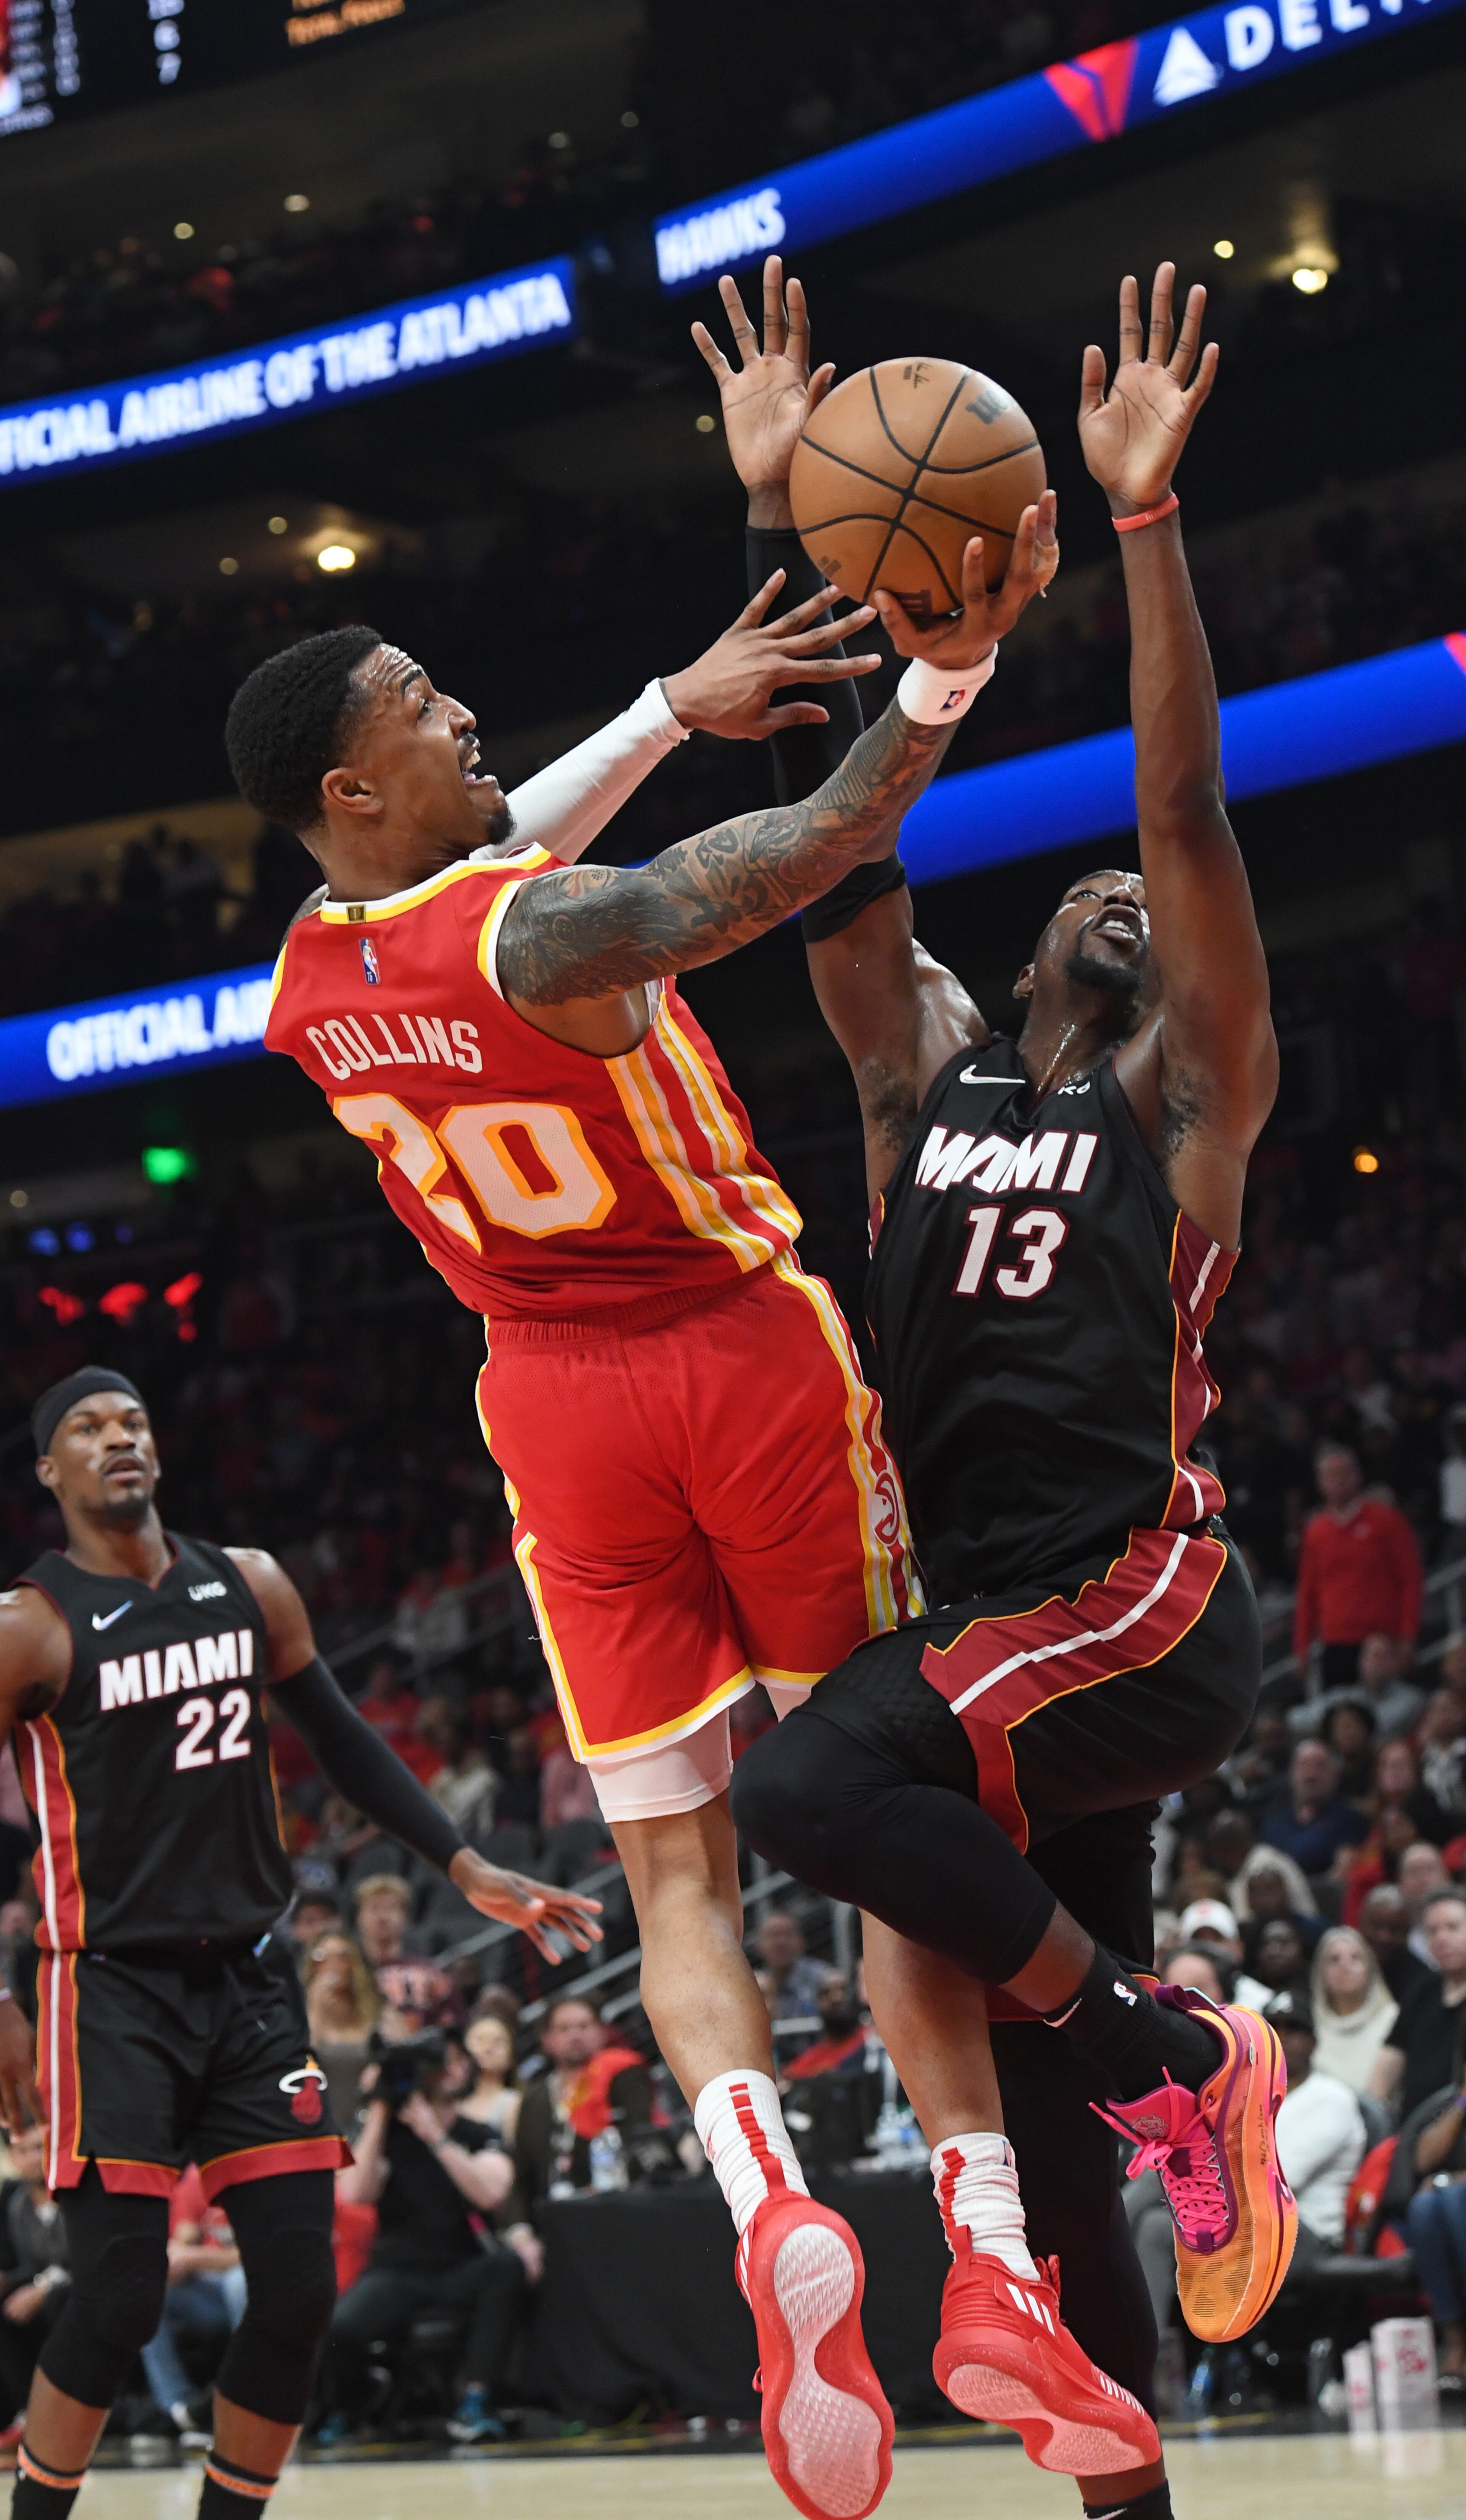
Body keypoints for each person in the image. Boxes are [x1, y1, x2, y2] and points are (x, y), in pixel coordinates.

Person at [232, 357, 1048, 2520]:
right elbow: (796, 852)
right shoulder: (555, 926)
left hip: (547, 1415)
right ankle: (979, 2238)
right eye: (416, 695)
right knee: (876, 1796)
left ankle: (759, 2193)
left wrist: (694, 672)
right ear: (349, 767)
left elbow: (500, 874)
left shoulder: (308, 989)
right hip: (739, 1358)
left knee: (670, 1866)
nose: (456, 708)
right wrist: (944, 671)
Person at [715, 258, 1290, 2509]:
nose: (1117, 902)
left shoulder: (1191, 1105)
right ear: (1015, 951)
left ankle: (1175, 2044)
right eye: (1084, 896)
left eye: (1132, 901)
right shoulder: (913, 1072)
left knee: (801, 1794)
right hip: (992, 1639)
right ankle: (1128, 2476)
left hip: (1121, 1600)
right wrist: (790, 534)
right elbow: (820, 847)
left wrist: (1142, 528)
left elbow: (1187, 819)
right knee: (1055, 2160)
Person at [0, 1371, 598, 2520]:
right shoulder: (30, 1622)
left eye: (134, 1420)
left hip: (249, 1982)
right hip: (105, 1987)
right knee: (120, 2294)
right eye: (87, 1428)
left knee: (298, 2289)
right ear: (50, 1470)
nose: (119, 1438)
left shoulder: (250, 1585)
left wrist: (463, 1864)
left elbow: (342, 1737)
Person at [319, 2033, 523, 2447]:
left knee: (507, 2269)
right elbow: (356, 2193)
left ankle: (476, 2399)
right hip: (398, 2269)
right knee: (339, 2326)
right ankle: (353, 2403)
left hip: (457, 2264)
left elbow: (490, 2193)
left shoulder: (475, 2132)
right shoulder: (388, 2135)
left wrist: (436, 2137)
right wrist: (378, 2109)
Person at [510, 1994, 654, 2225]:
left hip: (621, 2207)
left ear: (602, 2032)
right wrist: (520, 2230)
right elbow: (523, 2170)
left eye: (584, 2026)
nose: (575, 2036)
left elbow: (640, 2137)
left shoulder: (623, 2073)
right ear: (547, 2040)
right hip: (558, 2217)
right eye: (564, 2029)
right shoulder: (535, 2097)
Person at [1292, 1444, 1422, 1694]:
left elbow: (1410, 1580)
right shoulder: (1315, 1531)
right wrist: (1302, 1647)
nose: (1339, 1481)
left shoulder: (1387, 1520)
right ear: (1321, 1482)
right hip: (1335, 1640)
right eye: (1331, 1475)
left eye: (1345, 1473)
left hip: (1381, 1640)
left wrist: (1407, 1635)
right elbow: (1308, 1592)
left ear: (1358, 1475)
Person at [139, 2167, 247, 2447]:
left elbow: (264, 2256)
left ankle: (249, 2403)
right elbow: (182, 2237)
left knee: (240, 2282)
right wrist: (172, 2258)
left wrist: (194, 2257)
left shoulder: (265, 2178)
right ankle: (176, 2409)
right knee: (147, 2289)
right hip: (211, 2294)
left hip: (262, 2289)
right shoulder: (198, 2178)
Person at [1264, 1996, 1364, 2265]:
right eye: (1273, 2030)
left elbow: (1281, 2178)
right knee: (1162, 2223)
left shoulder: (1333, 2099)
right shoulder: (1248, 2095)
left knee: (1161, 2229)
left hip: (1306, 2231)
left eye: (1292, 2030)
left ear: (1313, 2041)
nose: (1281, 2038)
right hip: (1252, 2221)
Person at [0, 2129, 69, 2443]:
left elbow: (88, 2264)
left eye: (41, 2147)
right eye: (25, 2151)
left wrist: (42, 2288)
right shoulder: (17, 2206)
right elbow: (31, 2265)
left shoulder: (76, 2198)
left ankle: (70, 2409)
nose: (34, 2158)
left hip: (79, 2291)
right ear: (14, 2158)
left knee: (58, 2300)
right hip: (47, 2291)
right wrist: (10, 2278)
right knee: (7, 2305)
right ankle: (27, 2410)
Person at [1372, 1887, 1466, 2119]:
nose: (1442, 1938)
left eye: (1453, 1928)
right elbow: (1391, 2057)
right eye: (1433, 1931)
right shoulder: (1422, 1990)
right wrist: (1375, 2112)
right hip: (1413, 2126)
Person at [302, 1931, 381, 2133]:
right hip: (319, 2129)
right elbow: (299, 2064)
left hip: (369, 2128)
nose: (334, 1964)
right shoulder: (303, 2017)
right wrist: (316, 2009)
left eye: (343, 1956)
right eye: (323, 1957)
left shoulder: (375, 2013)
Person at [1308, 1926, 1398, 2095]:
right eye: (1334, 1960)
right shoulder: (1308, 2023)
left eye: (1356, 1958)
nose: (1345, 1966)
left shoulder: (1393, 2020)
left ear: (1370, 1968)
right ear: (1321, 1972)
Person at [1257, 1741, 1368, 1879]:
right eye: (1304, 1766)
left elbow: (1343, 1871)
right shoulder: (1273, 1822)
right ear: (1292, 1774)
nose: (1311, 1776)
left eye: (1320, 1767)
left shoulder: (1349, 1820)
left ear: (1335, 1775)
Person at [1358, 1883, 1434, 2008]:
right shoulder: (1344, 1968)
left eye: (1394, 1929)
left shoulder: (1422, 1983)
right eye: (1376, 1926)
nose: (1384, 1938)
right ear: (1362, 1925)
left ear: (1408, 1932)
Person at [455, 2011, 521, 2144]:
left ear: (510, 2056)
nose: (488, 2048)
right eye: (480, 2040)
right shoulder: (452, 2100)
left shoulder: (514, 2102)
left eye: (498, 2042)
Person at [753, 1910, 828, 2020]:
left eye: (787, 1934)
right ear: (759, 1945)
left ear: (801, 1941)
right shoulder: (754, 1985)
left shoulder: (822, 1978)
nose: (781, 1943)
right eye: (773, 1936)